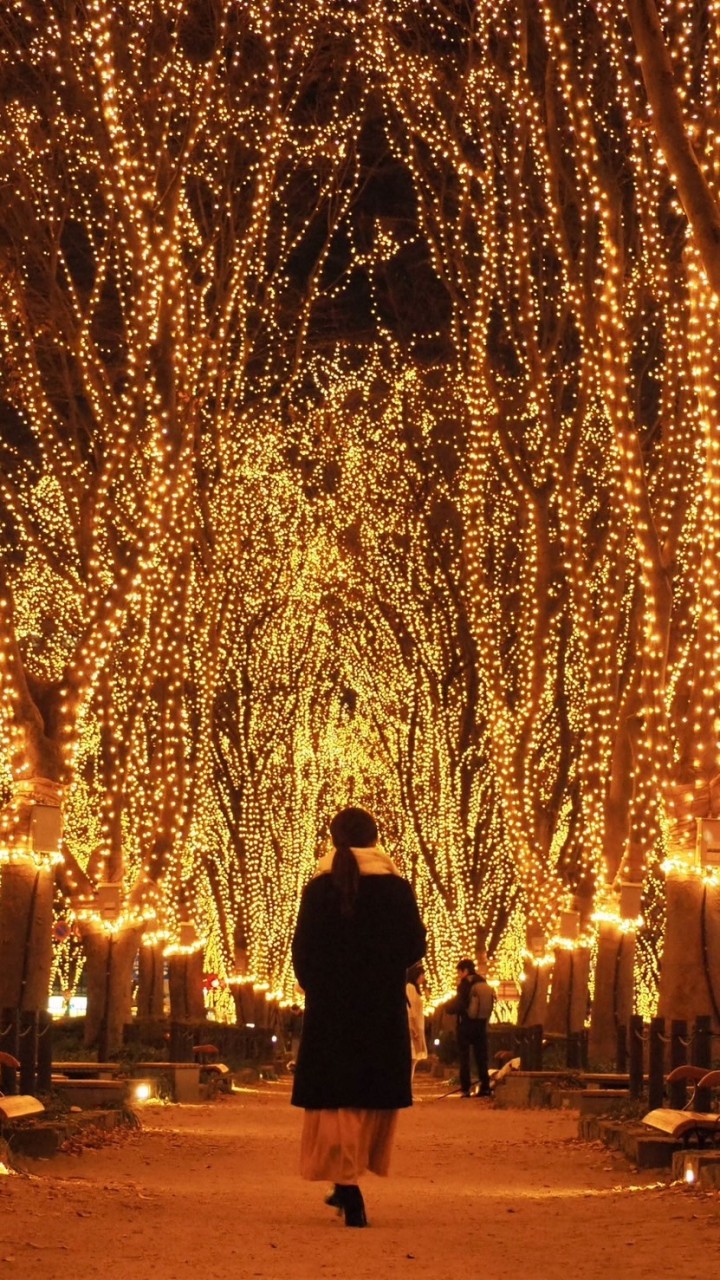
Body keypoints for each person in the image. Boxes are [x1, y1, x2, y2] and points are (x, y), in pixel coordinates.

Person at [291, 806, 426, 1227]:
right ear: (375, 839)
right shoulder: (396, 888)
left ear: (334, 840)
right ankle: (349, 1178)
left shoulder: (318, 889)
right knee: (368, 1095)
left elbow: (303, 950)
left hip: (331, 1008)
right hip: (378, 1007)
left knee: (335, 1099)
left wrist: (317, 985)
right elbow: (413, 946)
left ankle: (346, 1184)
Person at [446, 957, 494, 1098]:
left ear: (465, 970)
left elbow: (459, 1004)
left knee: (464, 1058)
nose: (459, 975)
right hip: (480, 1025)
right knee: (481, 1057)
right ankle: (485, 1086)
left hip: (466, 1025)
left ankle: (466, 1088)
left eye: (459, 972)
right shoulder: (483, 982)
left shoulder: (464, 985)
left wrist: (448, 1008)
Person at [406, 961, 428, 1088]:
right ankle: (407, 1088)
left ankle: (409, 1088)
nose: (423, 978)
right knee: (412, 1058)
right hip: (413, 1027)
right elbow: (410, 1010)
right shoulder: (410, 987)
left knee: (413, 1060)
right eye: (422, 975)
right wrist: (413, 1028)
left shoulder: (414, 988)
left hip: (417, 1026)